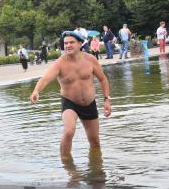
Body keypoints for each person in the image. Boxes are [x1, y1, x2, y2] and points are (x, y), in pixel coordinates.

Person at [29, 31, 112, 160]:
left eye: (71, 42)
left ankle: (96, 171)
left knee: (95, 142)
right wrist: (36, 91)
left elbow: (103, 80)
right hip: (70, 103)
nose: (67, 45)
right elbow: (45, 79)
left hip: (89, 103)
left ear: (80, 43)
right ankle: (67, 164)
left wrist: (107, 100)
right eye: (66, 43)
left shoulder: (90, 59)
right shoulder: (59, 63)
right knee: (69, 131)